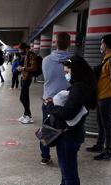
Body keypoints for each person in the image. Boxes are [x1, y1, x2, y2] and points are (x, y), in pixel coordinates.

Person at [45, 55, 98, 185]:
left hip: (69, 136)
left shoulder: (79, 88)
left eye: (67, 71)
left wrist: (51, 107)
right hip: (72, 134)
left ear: (76, 71)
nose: (66, 75)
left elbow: (68, 113)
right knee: (66, 168)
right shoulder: (82, 86)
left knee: (70, 172)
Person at [86, 34, 111, 161]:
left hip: (108, 96)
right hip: (102, 95)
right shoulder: (108, 57)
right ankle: (99, 145)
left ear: (106, 44)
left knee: (107, 124)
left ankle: (108, 151)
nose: (100, 45)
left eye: (101, 43)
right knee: (101, 122)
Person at [40, 32, 71, 165]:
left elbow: (47, 78)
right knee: (68, 130)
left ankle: (45, 156)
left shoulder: (46, 60)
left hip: (49, 101)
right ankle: (65, 157)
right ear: (69, 43)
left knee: (47, 128)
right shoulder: (74, 61)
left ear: (55, 43)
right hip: (68, 102)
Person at [17, 43, 37, 124]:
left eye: (21, 50)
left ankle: (29, 116)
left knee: (22, 97)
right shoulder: (26, 55)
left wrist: (23, 68)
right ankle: (26, 114)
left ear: (25, 49)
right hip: (24, 77)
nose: (20, 52)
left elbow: (34, 68)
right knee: (25, 97)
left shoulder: (31, 55)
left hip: (27, 78)